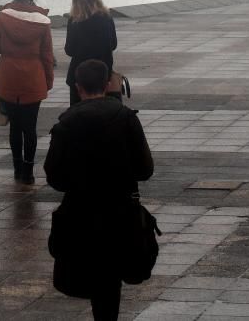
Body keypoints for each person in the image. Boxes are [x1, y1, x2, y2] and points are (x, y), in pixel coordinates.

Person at [44, 60, 154, 321]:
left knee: (92, 271)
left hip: (81, 210)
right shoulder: (126, 118)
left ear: (78, 87)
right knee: (111, 277)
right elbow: (145, 169)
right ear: (106, 85)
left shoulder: (65, 125)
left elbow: (55, 177)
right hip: (120, 209)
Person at [0, 0, 54, 185]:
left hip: (8, 78)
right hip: (33, 79)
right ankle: (28, 171)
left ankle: (17, 168)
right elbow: (47, 55)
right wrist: (48, 81)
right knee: (30, 127)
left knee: (14, 126)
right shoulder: (42, 22)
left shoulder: (2, 17)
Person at [64, 0, 117, 107]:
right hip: (102, 74)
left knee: (78, 114)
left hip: (80, 76)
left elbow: (69, 50)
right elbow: (113, 44)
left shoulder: (74, 21)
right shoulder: (106, 17)